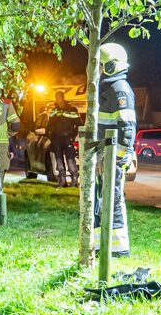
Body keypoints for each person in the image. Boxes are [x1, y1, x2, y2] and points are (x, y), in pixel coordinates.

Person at [91, 43, 138, 257]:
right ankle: (103, 246)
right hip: (105, 155)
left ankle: (118, 250)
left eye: (100, 66)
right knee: (103, 199)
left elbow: (127, 129)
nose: (97, 70)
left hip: (112, 157)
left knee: (114, 199)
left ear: (109, 66)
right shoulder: (109, 88)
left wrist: (115, 160)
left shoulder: (119, 89)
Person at [44, 94, 81, 187]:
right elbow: (49, 125)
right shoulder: (54, 111)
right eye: (56, 98)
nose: (58, 100)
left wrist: (72, 137)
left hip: (68, 138)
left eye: (59, 97)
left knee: (70, 159)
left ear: (63, 98)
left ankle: (74, 180)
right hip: (56, 139)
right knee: (59, 160)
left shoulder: (72, 110)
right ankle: (62, 181)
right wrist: (50, 136)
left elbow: (79, 124)